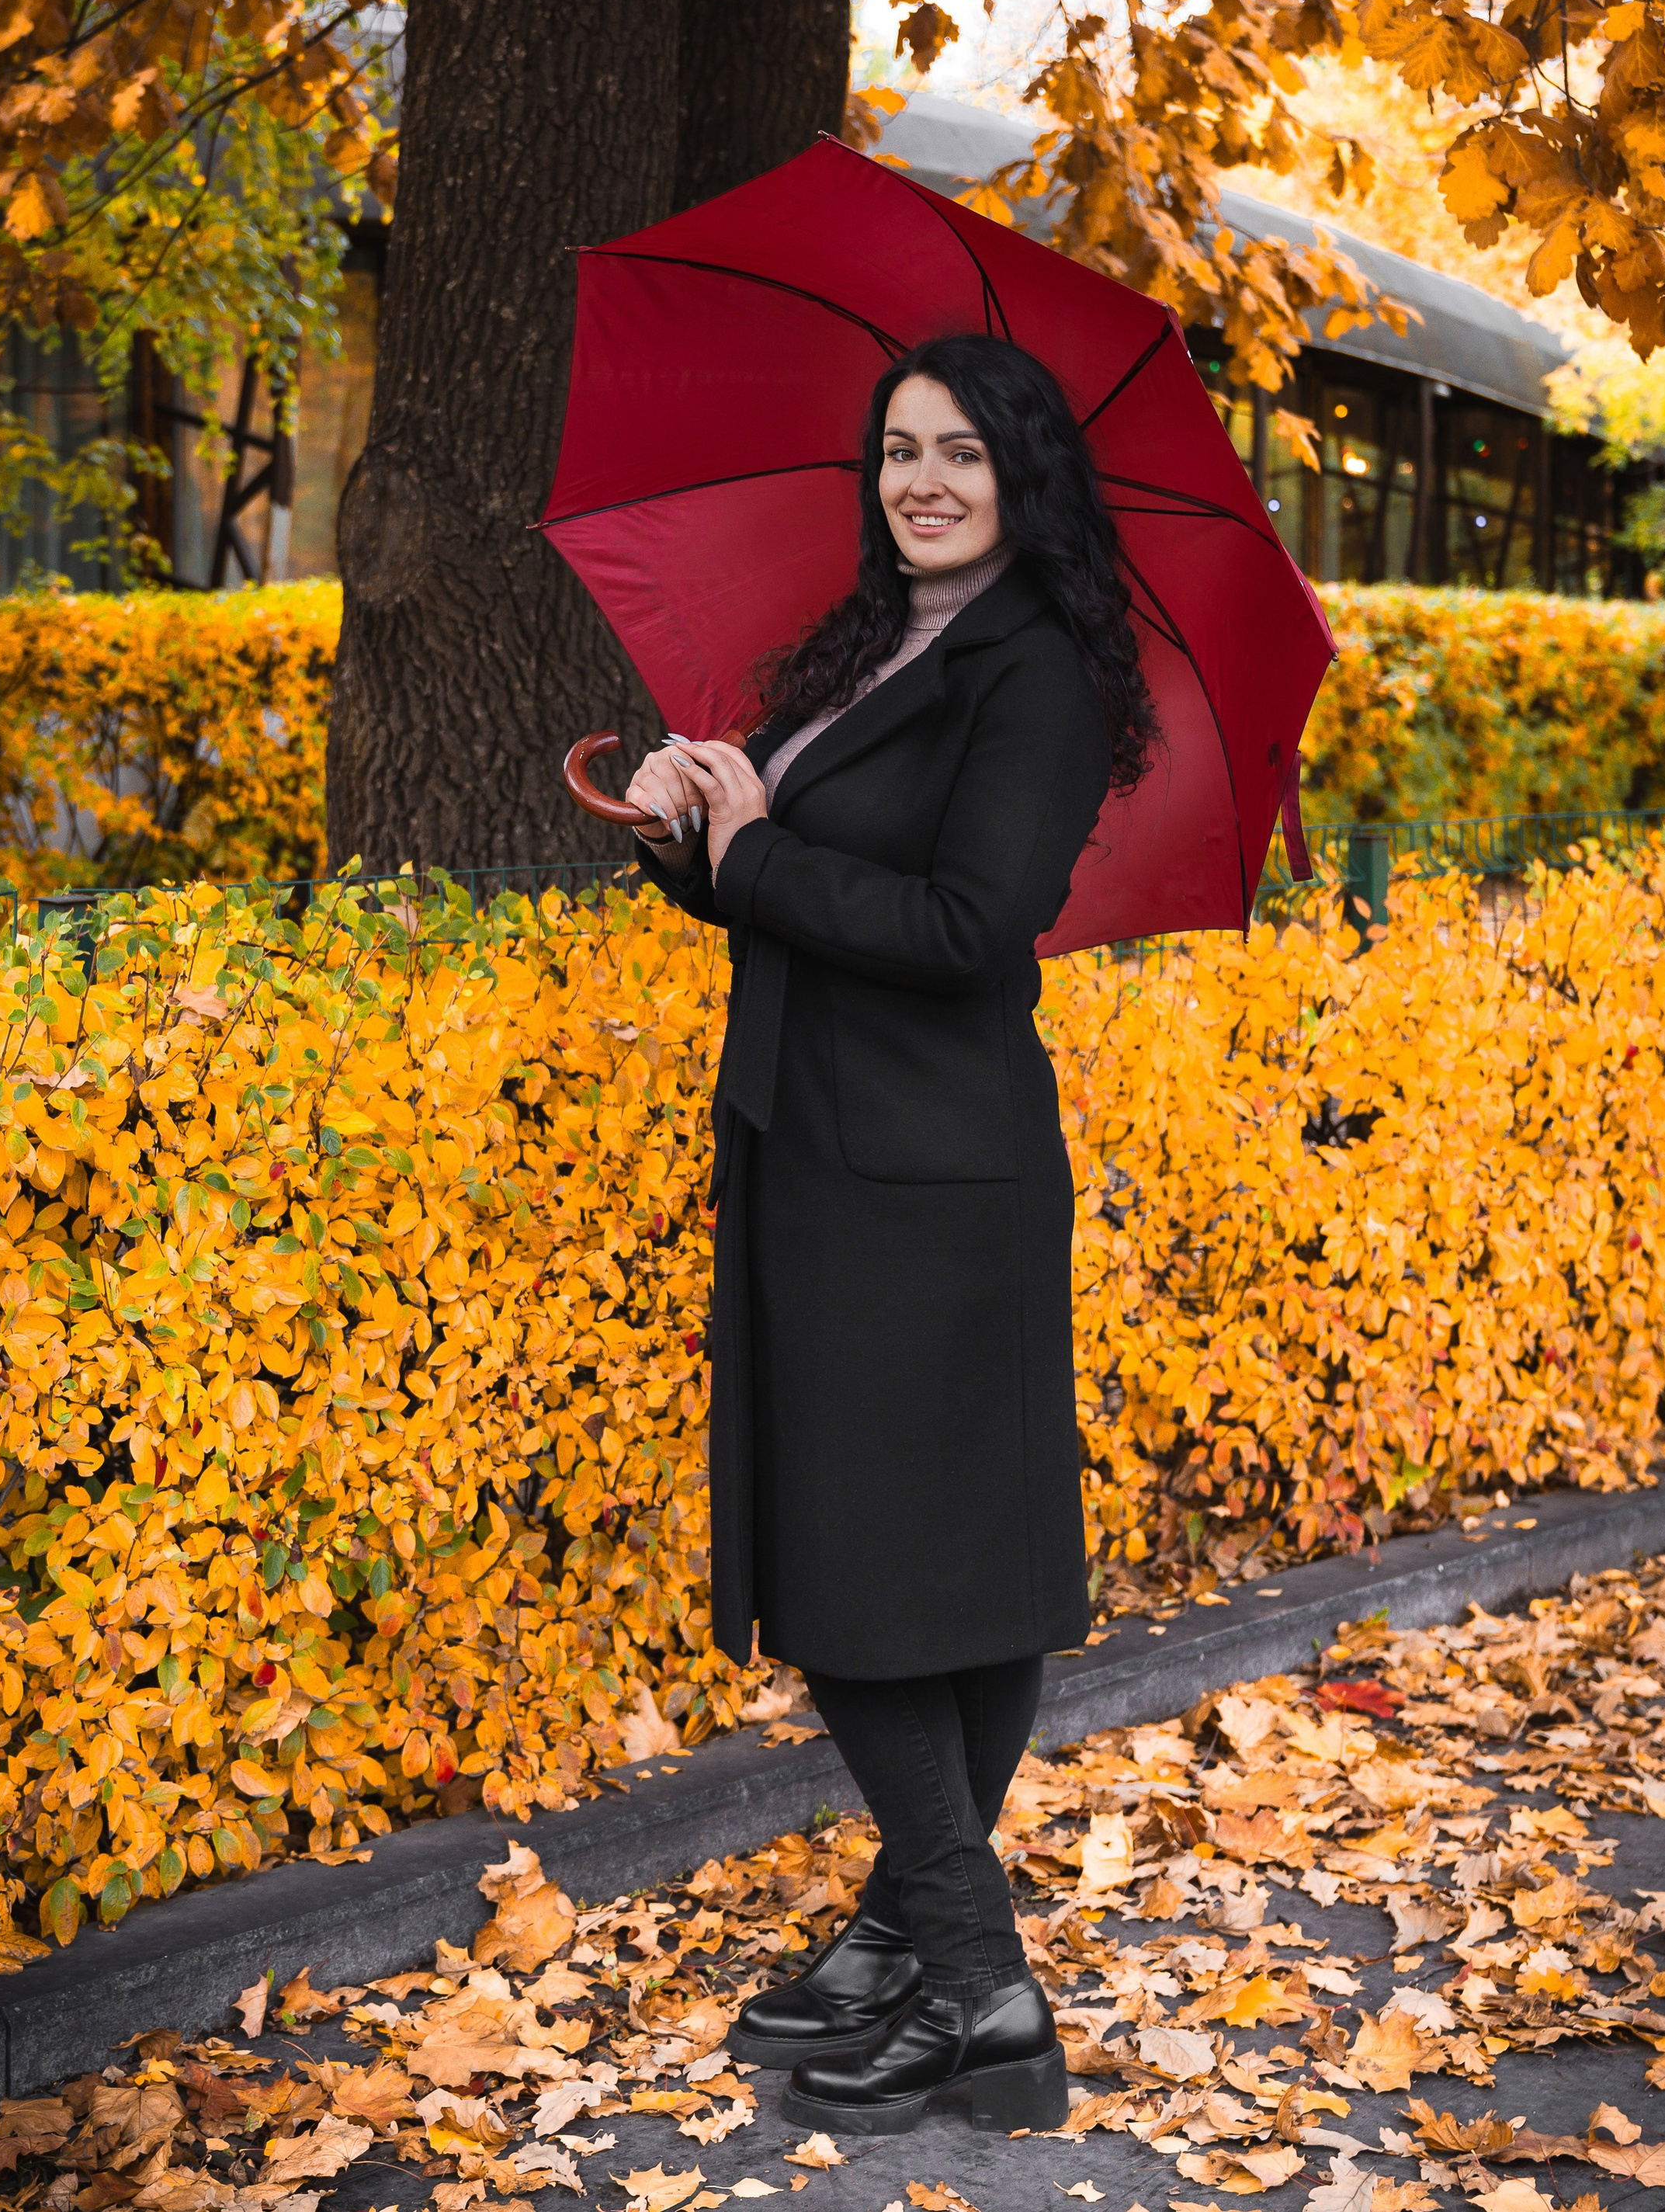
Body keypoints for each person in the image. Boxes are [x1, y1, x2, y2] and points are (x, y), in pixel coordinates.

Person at [623, 333, 1156, 2139]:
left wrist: (756, 851)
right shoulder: (865, 648)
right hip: (819, 1150)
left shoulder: (1039, 671)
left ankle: (981, 1986)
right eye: (897, 449)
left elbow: (961, 928)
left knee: (870, 1572)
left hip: (928, 1178)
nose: (920, 480)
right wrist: (690, 836)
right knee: (938, 1574)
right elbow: (787, 885)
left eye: (959, 451)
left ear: (1022, 474)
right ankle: (890, 1952)